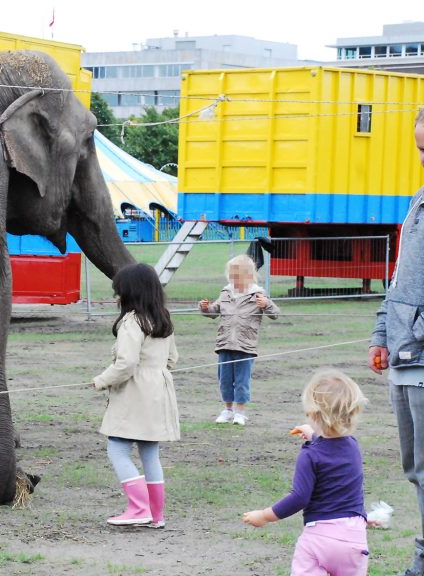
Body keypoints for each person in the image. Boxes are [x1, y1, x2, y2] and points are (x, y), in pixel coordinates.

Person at [242, 369, 370, 576]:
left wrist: (264, 516)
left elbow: (300, 497)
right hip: (354, 537)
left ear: (312, 413)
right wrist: (314, 436)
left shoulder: (310, 455)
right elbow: (333, 450)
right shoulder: (352, 446)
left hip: (319, 539)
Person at [368, 107, 424, 576]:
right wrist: (382, 333)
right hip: (405, 355)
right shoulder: (418, 200)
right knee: (415, 469)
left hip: (421, 354)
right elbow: (401, 278)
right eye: (421, 148)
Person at [93, 263, 178, 528]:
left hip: (135, 394)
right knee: (150, 454)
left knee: (117, 449)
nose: (116, 296)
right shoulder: (162, 318)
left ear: (131, 291)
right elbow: (172, 359)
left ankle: (139, 508)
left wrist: (101, 381)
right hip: (158, 392)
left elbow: (126, 364)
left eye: (118, 291)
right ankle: (156, 514)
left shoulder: (132, 321)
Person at [200, 253, 280, 426]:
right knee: (225, 380)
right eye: (231, 276)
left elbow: (275, 314)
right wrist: (205, 308)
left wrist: (266, 304)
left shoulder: (258, 295)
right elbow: (214, 312)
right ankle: (228, 410)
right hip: (224, 344)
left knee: (242, 381)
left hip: (245, 346)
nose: (233, 279)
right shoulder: (226, 292)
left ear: (248, 276)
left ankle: (240, 412)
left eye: (237, 276)